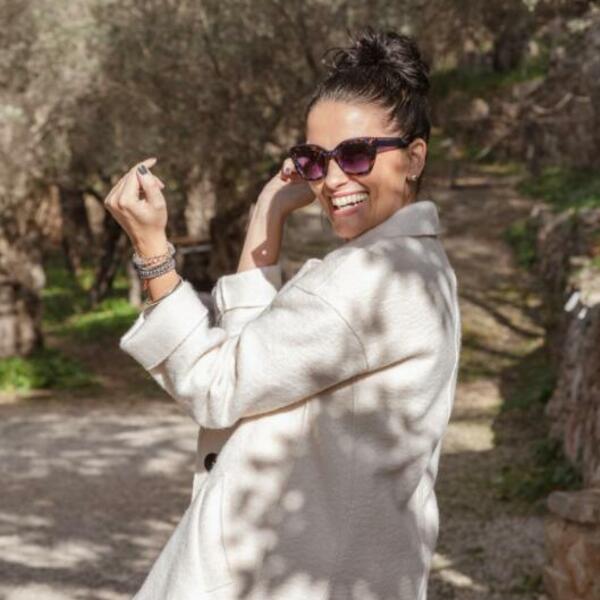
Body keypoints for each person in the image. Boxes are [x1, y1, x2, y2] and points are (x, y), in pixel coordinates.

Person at [104, 26, 461, 600]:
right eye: (316, 160)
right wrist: (268, 210)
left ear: (414, 157)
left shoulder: (367, 278)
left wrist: (152, 252)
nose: (334, 179)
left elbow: (215, 385)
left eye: (357, 154)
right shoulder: (419, 266)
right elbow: (252, 367)